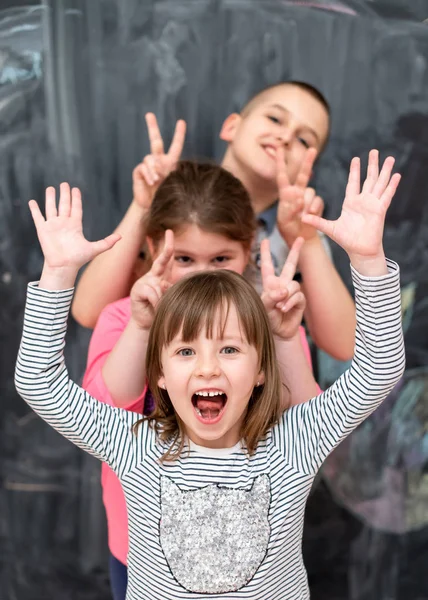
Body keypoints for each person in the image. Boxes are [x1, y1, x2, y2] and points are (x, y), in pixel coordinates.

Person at [16, 150, 405, 600]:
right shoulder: (132, 444)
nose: (207, 367)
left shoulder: (297, 439)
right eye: (185, 350)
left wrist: (369, 259)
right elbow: (37, 382)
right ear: (157, 373)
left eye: (229, 348)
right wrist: (58, 273)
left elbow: (378, 369)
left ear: (262, 370)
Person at [82, 159, 318, 599]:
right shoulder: (123, 317)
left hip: (253, 561)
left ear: (249, 250)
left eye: (221, 258)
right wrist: (140, 326)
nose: (203, 273)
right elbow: (102, 410)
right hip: (144, 549)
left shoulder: (272, 324)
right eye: (184, 259)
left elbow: (309, 419)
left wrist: (282, 338)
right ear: (153, 248)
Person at [71, 83, 356, 361]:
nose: (285, 137)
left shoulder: (301, 235)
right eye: (274, 118)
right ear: (232, 126)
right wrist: (144, 204)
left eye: (304, 140)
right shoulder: (176, 202)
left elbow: (344, 346)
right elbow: (88, 311)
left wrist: (304, 240)